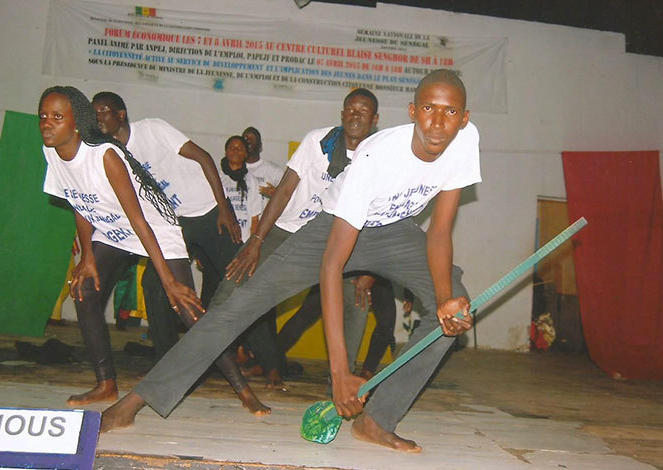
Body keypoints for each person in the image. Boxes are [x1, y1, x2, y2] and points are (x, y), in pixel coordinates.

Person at [101, 70, 480, 453]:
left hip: (397, 231)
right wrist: (339, 372)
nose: (438, 122)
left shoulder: (467, 142)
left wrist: (445, 296)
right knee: (238, 307)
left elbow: (440, 230)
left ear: (464, 118)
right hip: (335, 229)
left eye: (450, 112)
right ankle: (136, 400)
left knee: (455, 311)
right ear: (413, 111)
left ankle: (377, 419)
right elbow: (331, 266)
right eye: (429, 108)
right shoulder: (376, 158)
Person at [90, 92, 269, 415]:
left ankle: (270, 364)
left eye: (104, 111)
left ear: (121, 114)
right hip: (171, 225)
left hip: (207, 212)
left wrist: (224, 207)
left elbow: (203, 157)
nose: (98, 117)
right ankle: (168, 369)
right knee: (155, 290)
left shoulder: (153, 130)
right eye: (94, 113)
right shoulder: (109, 152)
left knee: (245, 280)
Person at [39, 85, 202, 406]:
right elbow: (78, 202)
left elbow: (140, 221)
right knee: (83, 288)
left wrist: (168, 280)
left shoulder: (106, 153)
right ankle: (106, 384)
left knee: (186, 306)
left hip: (153, 226)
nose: (47, 123)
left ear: (75, 122)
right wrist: (87, 256)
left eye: (57, 116)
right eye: (43, 116)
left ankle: (241, 387)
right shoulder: (53, 151)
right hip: (113, 229)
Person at [223, 88, 381, 389]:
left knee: (357, 301)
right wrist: (256, 240)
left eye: (363, 111)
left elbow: (377, 216)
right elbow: (283, 191)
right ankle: (204, 355)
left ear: (374, 119)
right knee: (234, 285)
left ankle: (344, 381)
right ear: (342, 113)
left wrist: (367, 273)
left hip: (334, 243)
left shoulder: (378, 156)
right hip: (288, 230)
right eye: (350, 108)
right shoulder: (317, 142)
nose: (355, 115)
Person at [219, 136, 262, 242]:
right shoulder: (217, 178)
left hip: (243, 239)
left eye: (240, 148)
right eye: (232, 148)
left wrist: (250, 245)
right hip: (220, 238)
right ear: (226, 152)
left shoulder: (252, 181)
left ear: (245, 154)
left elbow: (255, 219)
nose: (235, 150)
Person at [241, 126, 284, 210]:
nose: (249, 141)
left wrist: (276, 195)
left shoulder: (274, 171)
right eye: (245, 139)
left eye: (253, 139)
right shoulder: (231, 170)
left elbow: (288, 197)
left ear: (260, 145)